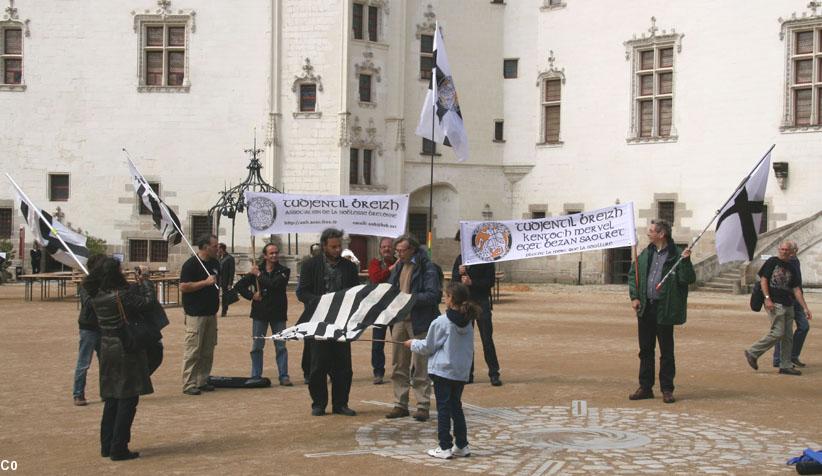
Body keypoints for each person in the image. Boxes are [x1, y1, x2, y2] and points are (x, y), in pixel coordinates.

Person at [83, 257, 157, 461]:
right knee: (128, 398)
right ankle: (119, 446)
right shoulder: (121, 295)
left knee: (112, 398)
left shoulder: (96, 294)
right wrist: (146, 282)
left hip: (107, 346)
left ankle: (107, 444)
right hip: (126, 347)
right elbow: (148, 304)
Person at [405, 282, 476, 459]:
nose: (444, 298)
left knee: (444, 408)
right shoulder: (468, 320)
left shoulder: (441, 322)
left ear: (451, 299)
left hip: (444, 371)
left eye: (446, 295)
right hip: (459, 372)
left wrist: (413, 343)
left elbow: (428, 346)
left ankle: (445, 446)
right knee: (455, 407)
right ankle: (462, 444)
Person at [627, 219, 694, 404]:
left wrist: (686, 262)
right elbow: (634, 275)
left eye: (651, 231)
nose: (648, 233)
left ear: (661, 234)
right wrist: (634, 296)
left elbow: (687, 279)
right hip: (645, 307)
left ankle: (667, 389)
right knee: (645, 350)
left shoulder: (677, 256)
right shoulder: (645, 254)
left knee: (666, 351)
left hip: (665, 309)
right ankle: (645, 387)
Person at [297, 228, 360, 416]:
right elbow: (302, 292)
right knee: (317, 366)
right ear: (324, 246)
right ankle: (318, 403)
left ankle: (340, 404)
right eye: (333, 246)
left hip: (341, 323)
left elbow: (355, 292)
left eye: (339, 246)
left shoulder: (349, 267)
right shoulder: (310, 265)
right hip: (318, 322)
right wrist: (319, 302)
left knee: (343, 367)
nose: (337, 250)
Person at [385, 234, 442, 422]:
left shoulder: (428, 267)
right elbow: (392, 289)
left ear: (413, 249)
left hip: (420, 321)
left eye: (402, 250)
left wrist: (410, 300)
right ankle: (400, 404)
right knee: (398, 363)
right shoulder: (399, 266)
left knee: (420, 365)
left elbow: (433, 295)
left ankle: (422, 405)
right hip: (400, 320)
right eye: (397, 250)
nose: (398, 254)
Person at [745, 241, 813, 375]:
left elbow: (796, 289)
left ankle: (785, 365)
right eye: (781, 249)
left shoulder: (792, 267)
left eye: (786, 250)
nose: (783, 251)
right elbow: (764, 279)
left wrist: (805, 308)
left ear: (792, 251)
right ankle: (753, 352)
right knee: (778, 332)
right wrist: (767, 298)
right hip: (775, 303)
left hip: (789, 304)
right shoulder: (772, 262)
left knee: (788, 336)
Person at [235, 243, 292, 386]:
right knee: (257, 346)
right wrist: (252, 295)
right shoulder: (257, 270)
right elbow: (239, 286)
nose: (274, 255)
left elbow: (274, 284)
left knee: (280, 346)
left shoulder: (284, 271)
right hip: (260, 313)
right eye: (271, 253)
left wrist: (259, 275)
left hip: (278, 313)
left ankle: (283, 375)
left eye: (276, 253)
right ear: (265, 255)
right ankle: (256, 374)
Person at [452, 230, 502, 386]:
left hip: (481, 302)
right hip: (465, 303)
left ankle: (494, 373)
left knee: (487, 339)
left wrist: (472, 283)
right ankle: (468, 373)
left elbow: (490, 282)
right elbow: (454, 282)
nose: (462, 244)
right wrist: (458, 275)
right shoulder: (460, 259)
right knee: (466, 340)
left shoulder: (485, 257)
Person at [180, 234, 220, 395]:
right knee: (193, 350)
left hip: (211, 313)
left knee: (208, 349)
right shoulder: (191, 265)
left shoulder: (216, 263)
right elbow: (183, 287)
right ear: (205, 247)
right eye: (215, 246)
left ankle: (202, 380)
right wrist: (205, 283)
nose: (218, 249)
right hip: (195, 314)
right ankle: (188, 383)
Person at [73, 254, 106, 406]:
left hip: (104, 326)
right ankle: (78, 393)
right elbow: (89, 303)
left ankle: (107, 392)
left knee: (106, 362)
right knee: (84, 362)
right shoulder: (86, 285)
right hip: (89, 327)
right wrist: (99, 292)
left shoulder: (106, 283)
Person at [773, 241, 812, 368]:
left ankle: (793, 356)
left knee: (804, 327)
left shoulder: (795, 261)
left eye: (792, 250)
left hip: (797, 300)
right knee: (782, 330)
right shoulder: (781, 262)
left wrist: (804, 305)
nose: (790, 252)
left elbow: (797, 285)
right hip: (785, 300)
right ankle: (778, 359)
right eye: (788, 250)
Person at [367, 237, 398, 384]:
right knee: (378, 342)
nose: (386, 249)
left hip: (396, 307)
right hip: (379, 309)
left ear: (394, 249)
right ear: (380, 249)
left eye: (389, 246)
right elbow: (375, 278)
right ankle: (378, 372)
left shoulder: (401, 262)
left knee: (399, 341)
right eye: (383, 247)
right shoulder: (375, 263)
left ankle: (400, 371)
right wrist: (390, 269)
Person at [217, 243, 236, 317]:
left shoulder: (230, 258)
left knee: (225, 296)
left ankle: (224, 310)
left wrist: (230, 283)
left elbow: (232, 271)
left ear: (222, 249)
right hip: (218, 280)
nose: (217, 249)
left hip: (225, 280)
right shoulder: (218, 257)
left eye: (218, 248)